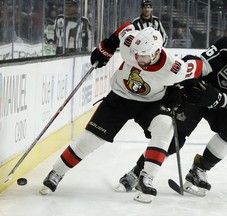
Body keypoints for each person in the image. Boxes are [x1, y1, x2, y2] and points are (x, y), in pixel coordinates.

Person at [39, 23, 203, 203]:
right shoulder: (130, 43)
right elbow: (126, 27)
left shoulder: (174, 68)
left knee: (165, 127)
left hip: (151, 103)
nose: (138, 58)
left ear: (156, 53)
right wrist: (107, 47)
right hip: (119, 97)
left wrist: (186, 85)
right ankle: (57, 172)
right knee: (90, 139)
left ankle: (146, 178)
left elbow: (198, 66)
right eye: (136, 54)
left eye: (144, 56)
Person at [115, 19, 227, 196]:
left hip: (222, 103)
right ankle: (136, 172)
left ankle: (198, 169)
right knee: (175, 137)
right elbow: (203, 65)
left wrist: (218, 99)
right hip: (199, 93)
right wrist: (183, 83)